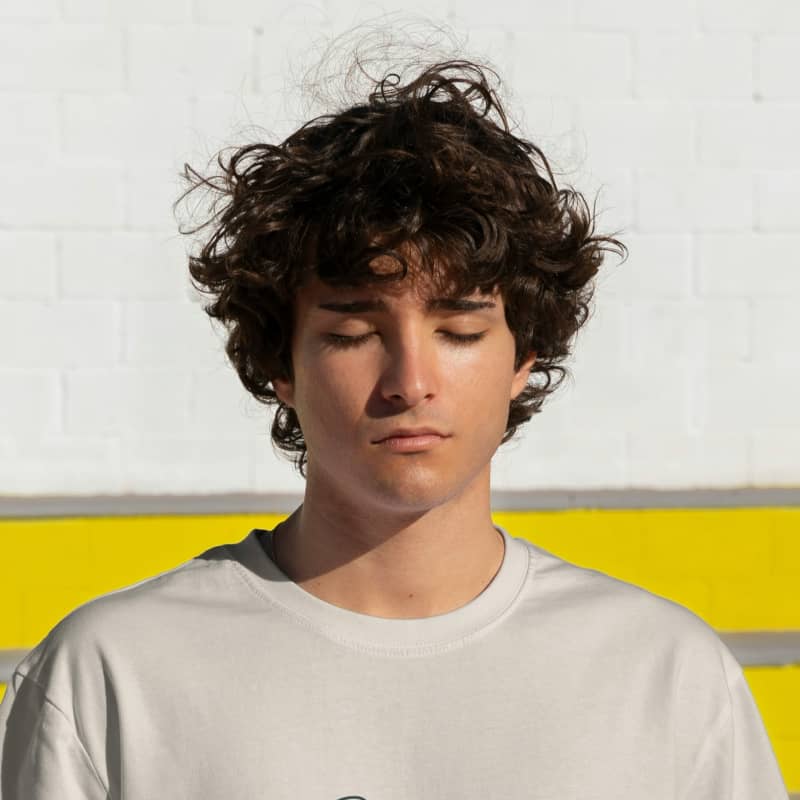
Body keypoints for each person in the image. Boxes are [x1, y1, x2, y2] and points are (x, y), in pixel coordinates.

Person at [0, 55, 789, 800]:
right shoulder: (112, 675)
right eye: (352, 332)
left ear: (525, 355)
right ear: (281, 361)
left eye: (460, 331)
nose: (410, 382)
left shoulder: (665, 676)